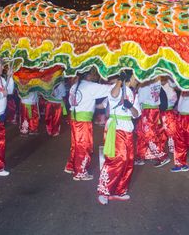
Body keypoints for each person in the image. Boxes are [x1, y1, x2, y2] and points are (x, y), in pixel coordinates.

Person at [97, 70, 141, 204]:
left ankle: (120, 190)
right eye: (135, 77)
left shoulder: (133, 93)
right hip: (116, 128)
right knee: (117, 159)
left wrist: (130, 107)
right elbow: (114, 94)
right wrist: (120, 80)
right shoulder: (117, 88)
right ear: (129, 77)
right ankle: (104, 192)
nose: (137, 80)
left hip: (128, 129)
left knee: (129, 161)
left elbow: (136, 114)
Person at [65, 69, 111, 181]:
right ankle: (80, 172)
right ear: (88, 75)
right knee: (83, 146)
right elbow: (110, 90)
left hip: (74, 118)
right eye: (94, 73)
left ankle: (71, 166)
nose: (95, 76)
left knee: (75, 144)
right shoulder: (90, 86)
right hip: (82, 121)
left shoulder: (75, 86)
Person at [135, 78, 170, 167]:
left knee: (148, 135)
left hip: (148, 110)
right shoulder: (156, 79)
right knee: (141, 133)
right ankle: (141, 156)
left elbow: (140, 99)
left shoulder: (145, 83)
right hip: (154, 109)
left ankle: (162, 157)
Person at [160, 76, 179, 154]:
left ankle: (172, 148)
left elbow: (173, 99)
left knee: (170, 131)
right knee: (161, 132)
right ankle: (162, 148)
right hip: (162, 112)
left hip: (168, 112)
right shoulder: (161, 86)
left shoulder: (170, 87)